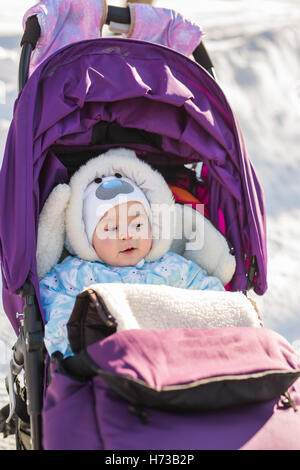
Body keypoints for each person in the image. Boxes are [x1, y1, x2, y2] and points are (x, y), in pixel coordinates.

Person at [39, 149, 225, 358]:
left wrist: (228, 312)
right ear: (87, 238)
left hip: (174, 355)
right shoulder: (77, 273)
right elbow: (54, 300)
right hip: (108, 359)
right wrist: (70, 345)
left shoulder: (172, 267)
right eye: (111, 229)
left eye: (137, 224)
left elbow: (208, 293)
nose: (128, 236)